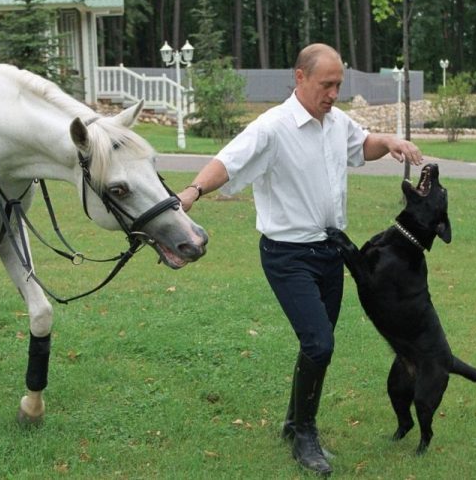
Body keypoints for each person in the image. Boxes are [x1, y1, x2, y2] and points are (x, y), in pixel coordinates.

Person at [177, 44, 423, 476]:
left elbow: (361, 146)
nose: (333, 93)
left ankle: (293, 422)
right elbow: (228, 163)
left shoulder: (335, 121)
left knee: (317, 344)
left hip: (332, 253)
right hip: (287, 256)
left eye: (339, 85)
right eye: (327, 84)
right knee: (319, 343)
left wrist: (388, 141)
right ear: (300, 77)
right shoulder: (272, 127)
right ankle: (305, 435)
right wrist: (193, 193)